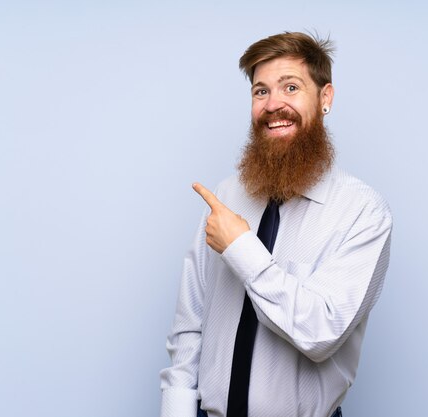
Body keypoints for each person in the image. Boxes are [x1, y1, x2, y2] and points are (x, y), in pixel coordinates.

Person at [160, 32, 392, 417]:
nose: (274, 105)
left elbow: (321, 332)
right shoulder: (226, 197)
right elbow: (190, 325)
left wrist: (241, 250)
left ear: (325, 98)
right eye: (260, 91)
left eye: (291, 87)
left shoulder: (363, 212)